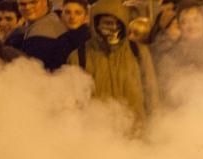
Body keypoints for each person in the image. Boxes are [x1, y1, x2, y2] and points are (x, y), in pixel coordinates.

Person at [67, 0, 159, 131]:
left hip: (135, 134)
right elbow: (73, 103)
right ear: (96, 24)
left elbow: (151, 94)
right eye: (107, 23)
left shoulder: (138, 52)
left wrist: (155, 129)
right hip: (95, 135)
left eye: (117, 23)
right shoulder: (79, 56)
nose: (113, 28)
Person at [4, 0, 72, 70]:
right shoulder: (52, 19)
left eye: (33, 2)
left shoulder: (42, 31)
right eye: (22, 4)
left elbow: (34, 71)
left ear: (45, 2)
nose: (27, 7)